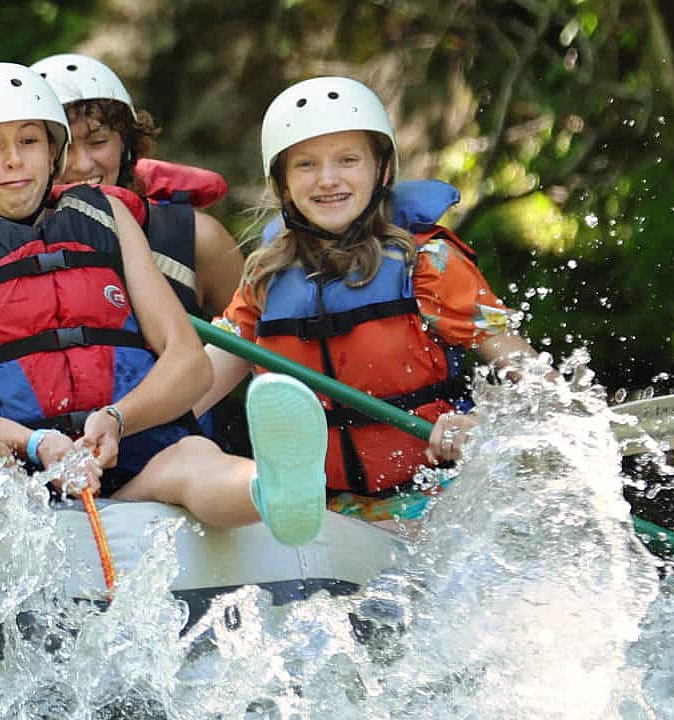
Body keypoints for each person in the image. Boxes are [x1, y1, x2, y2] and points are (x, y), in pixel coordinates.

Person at [0, 63, 329, 545]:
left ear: (51, 150)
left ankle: (274, 489)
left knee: (194, 460)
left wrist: (118, 419)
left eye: (29, 141)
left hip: (129, 454)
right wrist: (39, 444)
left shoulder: (108, 216)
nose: (14, 160)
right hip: (20, 471)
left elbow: (189, 362)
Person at [194, 76, 541, 528]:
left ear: (382, 170)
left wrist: (484, 429)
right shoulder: (264, 282)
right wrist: (120, 427)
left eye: (348, 160)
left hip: (435, 501)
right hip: (327, 513)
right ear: (281, 184)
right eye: (305, 165)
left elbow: (535, 384)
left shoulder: (428, 263)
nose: (328, 180)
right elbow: (194, 391)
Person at [29, 52, 244, 320]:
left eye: (98, 142)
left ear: (126, 145)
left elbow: (254, 348)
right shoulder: (0, 241)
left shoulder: (199, 239)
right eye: (64, 147)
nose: (82, 165)